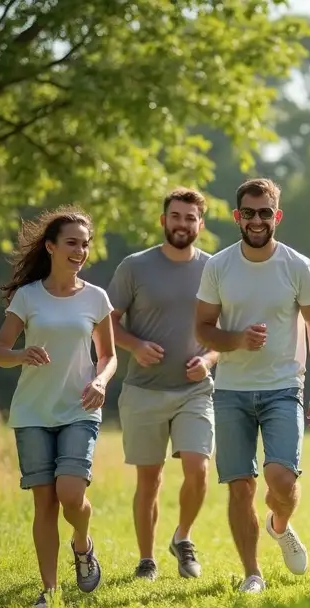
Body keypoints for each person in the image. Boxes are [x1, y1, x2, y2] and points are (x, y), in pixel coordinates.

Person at [194, 177, 310, 594]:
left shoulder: (297, 265)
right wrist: (236, 340)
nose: (257, 220)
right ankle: (252, 573)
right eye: (249, 213)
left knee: (282, 480)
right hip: (232, 390)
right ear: (238, 216)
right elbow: (202, 329)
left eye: (265, 212)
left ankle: (280, 524)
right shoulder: (218, 266)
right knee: (241, 486)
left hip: (283, 387)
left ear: (277, 215)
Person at [0, 207, 116, 608]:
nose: (80, 251)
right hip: (32, 413)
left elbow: (109, 356)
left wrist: (100, 381)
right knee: (44, 502)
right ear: (50, 247)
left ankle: (82, 542)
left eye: (85, 244)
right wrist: (22, 354)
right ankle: (50, 592)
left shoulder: (97, 298)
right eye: (72, 243)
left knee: (71, 493)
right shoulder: (28, 297)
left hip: (79, 407)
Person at [107, 187, 217, 581]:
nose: (182, 224)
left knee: (198, 468)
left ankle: (183, 537)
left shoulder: (213, 269)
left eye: (190, 218)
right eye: (176, 216)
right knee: (149, 480)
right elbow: (106, 323)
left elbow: (222, 333)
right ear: (163, 220)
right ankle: (146, 560)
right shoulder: (135, 267)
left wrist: (207, 360)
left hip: (194, 390)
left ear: (200, 225)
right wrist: (135, 346)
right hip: (143, 390)